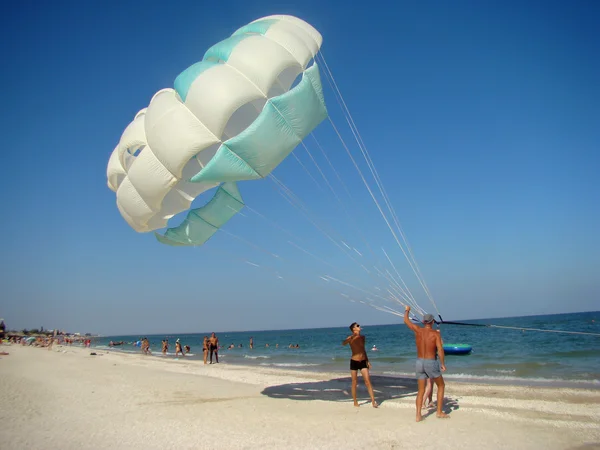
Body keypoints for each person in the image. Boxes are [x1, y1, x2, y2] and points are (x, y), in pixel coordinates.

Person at [403, 306, 449, 421]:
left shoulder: (418, 330)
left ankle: (418, 415)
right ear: (432, 322)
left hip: (419, 363)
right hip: (430, 362)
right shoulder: (435, 334)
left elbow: (406, 321)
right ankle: (439, 412)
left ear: (423, 322)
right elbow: (440, 349)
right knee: (441, 385)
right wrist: (442, 363)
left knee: (421, 390)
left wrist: (407, 310)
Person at [342, 322, 378, 408]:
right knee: (354, 382)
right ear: (354, 329)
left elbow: (363, 349)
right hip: (354, 361)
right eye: (357, 326)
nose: (359, 326)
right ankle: (355, 401)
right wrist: (350, 338)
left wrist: (367, 361)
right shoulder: (350, 337)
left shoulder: (362, 337)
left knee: (368, 381)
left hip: (362, 361)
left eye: (359, 325)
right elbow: (343, 343)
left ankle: (373, 401)